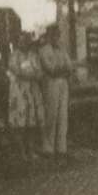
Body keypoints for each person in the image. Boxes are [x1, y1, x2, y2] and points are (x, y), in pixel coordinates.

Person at [7, 32, 45, 164]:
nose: (24, 43)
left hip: (32, 91)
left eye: (26, 41)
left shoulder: (33, 56)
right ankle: (22, 152)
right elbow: (17, 71)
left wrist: (31, 74)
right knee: (20, 123)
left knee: (32, 122)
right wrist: (30, 74)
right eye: (21, 41)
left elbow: (39, 73)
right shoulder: (14, 56)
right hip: (19, 92)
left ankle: (32, 150)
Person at [37, 27, 74, 163]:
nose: (55, 38)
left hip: (63, 83)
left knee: (62, 116)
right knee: (51, 115)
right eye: (53, 35)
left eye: (57, 35)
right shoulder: (43, 51)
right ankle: (49, 149)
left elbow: (69, 66)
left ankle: (61, 149)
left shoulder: (62, 49)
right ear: (48, 36)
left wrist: (62, 69)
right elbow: (50, 69)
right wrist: (61, 68)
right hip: (51, 83)